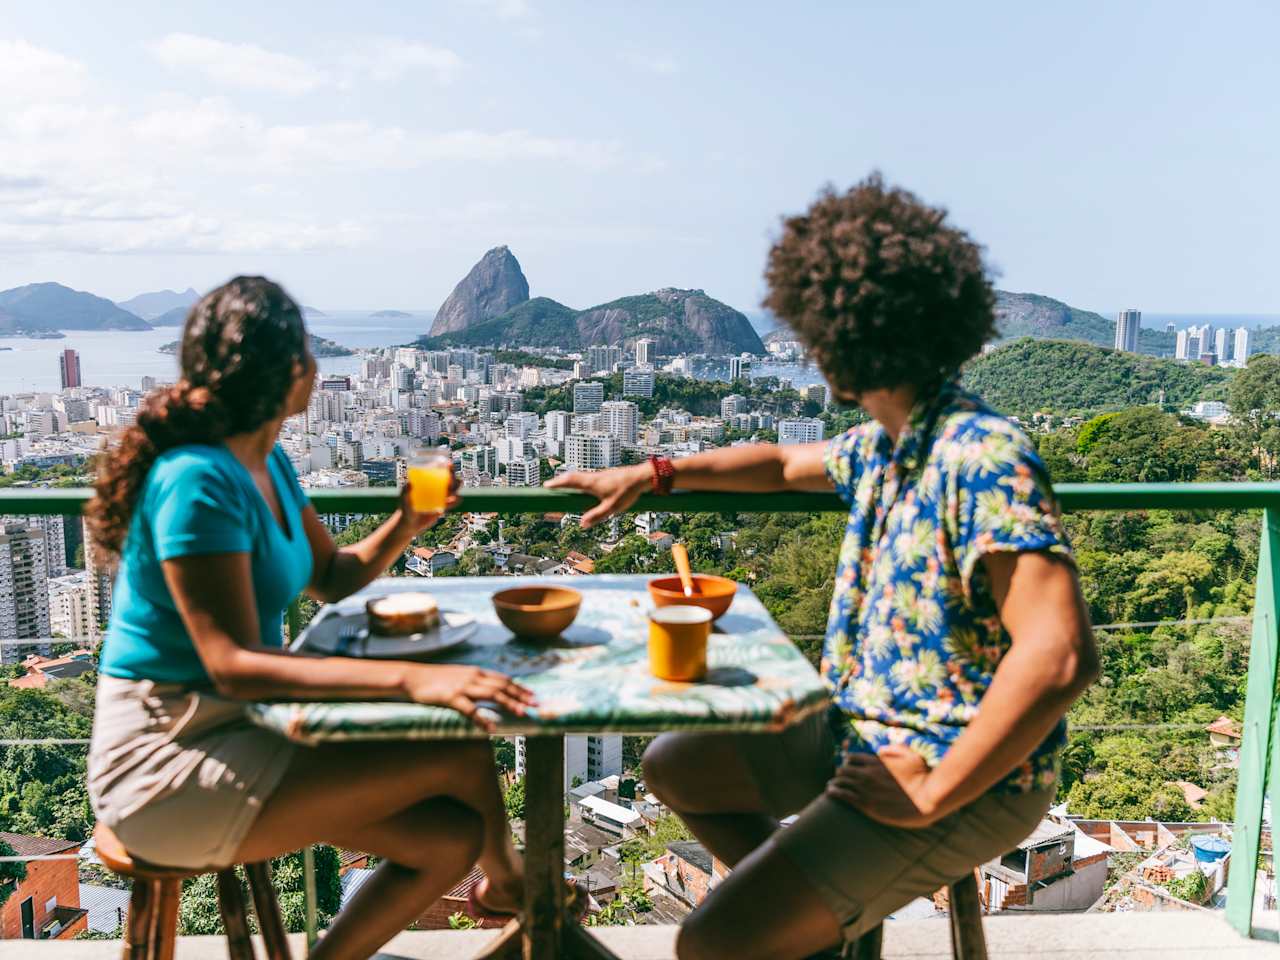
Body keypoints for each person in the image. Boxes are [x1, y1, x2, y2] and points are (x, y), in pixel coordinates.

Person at [547, 175, 1099, 960]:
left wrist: (935, 789)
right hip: (856, 731)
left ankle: (805, 911)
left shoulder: (979, 454)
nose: (806, 349)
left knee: (712, 943)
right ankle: (826, 916)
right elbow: (775, 463)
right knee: (677, 763)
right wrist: (654, 473)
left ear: (848, 335)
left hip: (955, 771)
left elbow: (1061, 655)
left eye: (813, 332)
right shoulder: (883, 444)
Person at [86, 277, 529, 960]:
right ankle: (517, 893)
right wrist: (416, 684)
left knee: (448, 838)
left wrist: (407, 521)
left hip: (240, 730)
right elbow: (230, 666)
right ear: (292, 371)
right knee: (457, 748)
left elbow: (333, 578)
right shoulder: (197, 481)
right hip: (164, 759)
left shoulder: (270, 464)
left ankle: (505, 891)